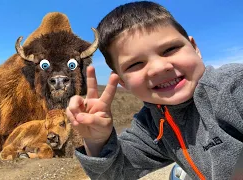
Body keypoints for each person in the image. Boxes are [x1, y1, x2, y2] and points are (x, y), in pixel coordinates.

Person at [66, 1, 243, 180]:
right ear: (122, 82)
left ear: (195, 48)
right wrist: (97, 141)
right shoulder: (151, 124)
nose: (158, 68)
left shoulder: (231, 86)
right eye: (135, 64)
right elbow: (116, 174)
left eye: (170, 49)